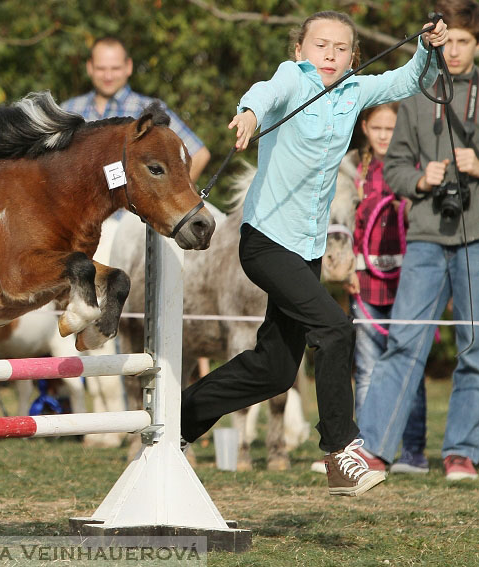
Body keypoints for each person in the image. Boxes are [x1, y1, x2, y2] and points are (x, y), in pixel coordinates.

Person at [179, 11, 448, 496]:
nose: (330, 54)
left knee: (275, 369)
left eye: (341, 48)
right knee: (334, 327)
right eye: (320, 45)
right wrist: (249, 114)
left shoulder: (354, 92)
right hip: (264, 241)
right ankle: (339, 452)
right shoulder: (293, 78)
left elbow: (409, 78)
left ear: (353, 57)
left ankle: (179, 418)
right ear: (300, 50)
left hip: (307, 249)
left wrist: (428, 47)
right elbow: (266, 92)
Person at [357, 0, 479, 482]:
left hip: (475, 238)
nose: (453, 51)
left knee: (475, 345)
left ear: (476, 44)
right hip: (426, 237)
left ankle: (462, 453)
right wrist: (422, 180)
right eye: (446, 41)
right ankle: (374, 451)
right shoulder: (415, 94)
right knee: (404, 341)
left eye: (464, 42)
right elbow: (394, 168)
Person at [312, 103, 430, 475]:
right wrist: (346, 271)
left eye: (390, 128)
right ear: (365, 127)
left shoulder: (413, 167)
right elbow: (342, 226)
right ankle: (363, 447)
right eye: (376, 127)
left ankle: (413, 450)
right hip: (363, 282)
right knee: (365, 368)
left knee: (409, 363)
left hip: (408, 282)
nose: (383, 135)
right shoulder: (350, 171)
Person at [61, 37, 210, 183]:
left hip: (131, 208)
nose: (108, 76)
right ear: (90, 67)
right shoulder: (68, 110)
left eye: (115, 68)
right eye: (101, 68)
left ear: (128, 67)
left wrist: (177, 198)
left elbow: (199, 155)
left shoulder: (150, 111)